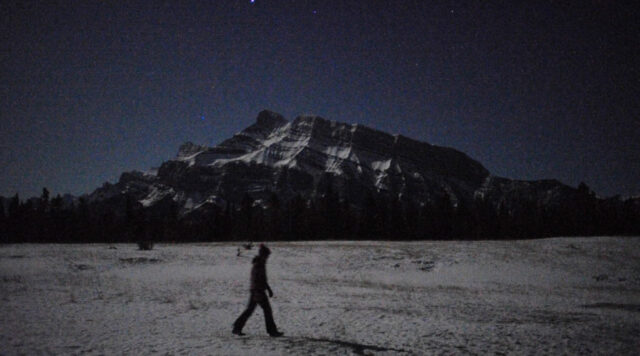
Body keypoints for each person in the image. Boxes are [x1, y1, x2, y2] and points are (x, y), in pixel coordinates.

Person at [232, 244, 284, 337]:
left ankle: (237, 327)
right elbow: (256, 280)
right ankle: (272, 331)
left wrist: (268, 289)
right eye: (267, 255)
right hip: (258, 291)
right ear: (263, 254)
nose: (268, 257)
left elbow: (263, 279)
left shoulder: (261, 263)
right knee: (267, 310)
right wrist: (259, 291)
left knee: (249, 310)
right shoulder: (258, 264)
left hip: (256, 290)